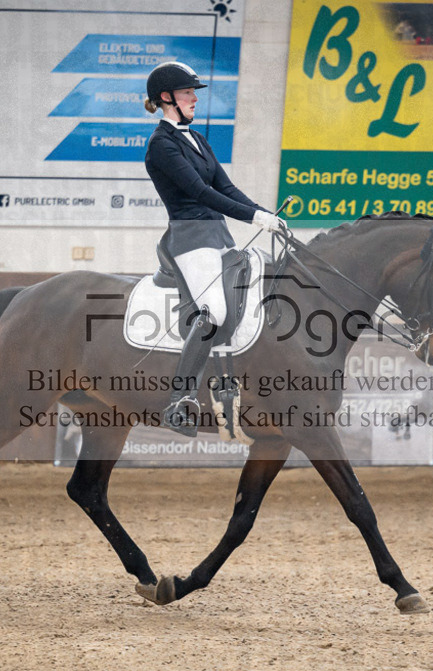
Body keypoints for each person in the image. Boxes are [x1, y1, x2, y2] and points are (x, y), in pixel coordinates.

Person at [143, 61, 285, 436]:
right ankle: (179, 401)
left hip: (219, 236)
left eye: (193, 93)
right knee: (214, 311)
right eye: (188, 93)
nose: (194, 99)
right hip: (190, 238)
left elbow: (226, 188)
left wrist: (266, 214)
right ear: (166, 98)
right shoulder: (161, 145)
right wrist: (254, 219)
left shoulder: (197, 139)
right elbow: (200, 193)